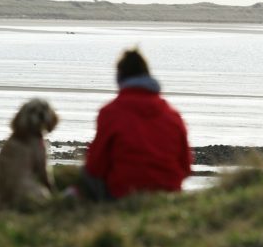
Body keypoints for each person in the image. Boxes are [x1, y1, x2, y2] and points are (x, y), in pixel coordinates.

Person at [81, 48, 193, 200]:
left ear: (120, 78)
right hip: (168, 195)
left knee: (85, 173)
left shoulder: (110, 112)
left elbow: (95, 166)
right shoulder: (173, 115)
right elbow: (185, 167)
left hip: (123, 194)